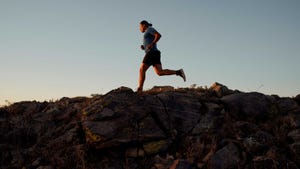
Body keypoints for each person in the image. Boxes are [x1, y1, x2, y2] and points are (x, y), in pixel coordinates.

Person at [137, 20, 186, 92]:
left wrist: (152, 44)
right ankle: (178, 72)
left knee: (142, 70)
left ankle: (140, 89)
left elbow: (158, 35)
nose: (139, 29)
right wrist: (144, 47)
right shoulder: (148, 31)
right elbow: (150, 43)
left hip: (152, 53)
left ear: (144, 25)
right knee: (159, 72)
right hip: (155, 53)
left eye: (140, 27)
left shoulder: (149, 29)